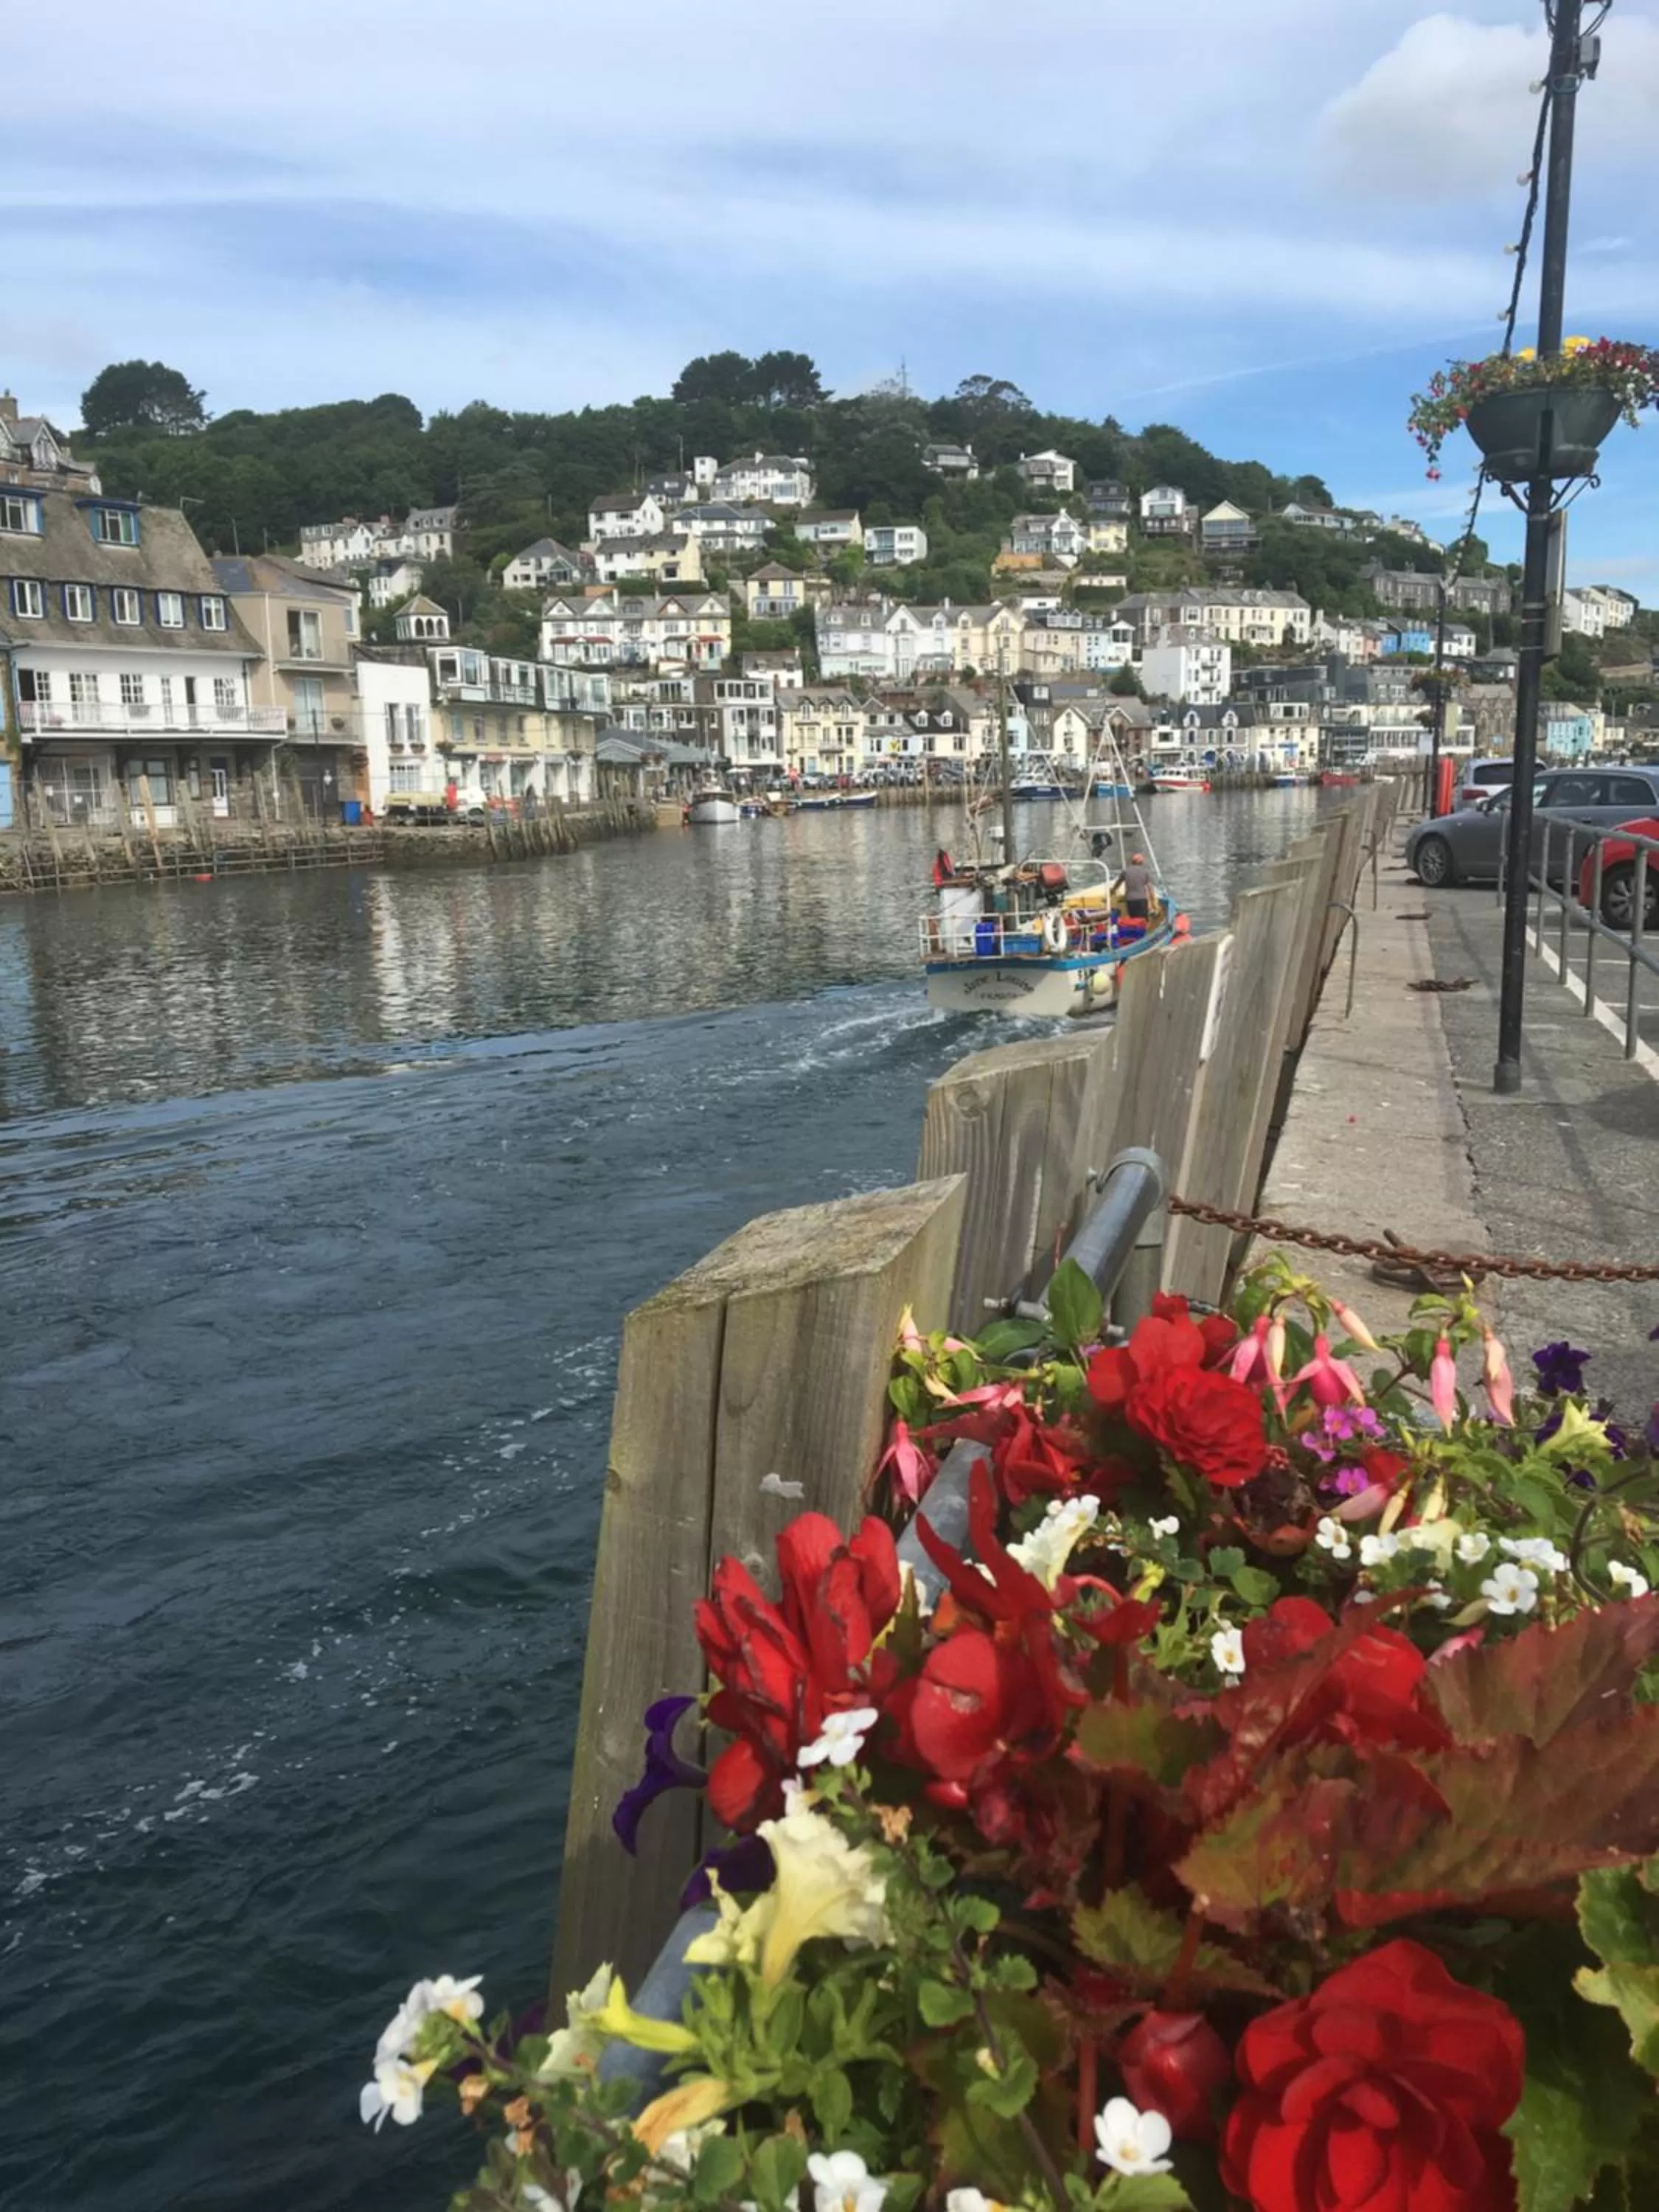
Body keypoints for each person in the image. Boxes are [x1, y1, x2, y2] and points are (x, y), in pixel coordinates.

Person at [1121, 850, 1152, 922]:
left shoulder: (1125, 871)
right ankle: (1144, 932)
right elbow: (1150, 887)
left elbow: (1118, 883)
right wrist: (1153, 902)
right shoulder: (1145, 872)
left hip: (1130, 900)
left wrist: (1113, 890)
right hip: (1142, 900)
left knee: (1134, 920)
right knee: (1143, 921)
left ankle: (1135, 932)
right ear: (1141, 862)